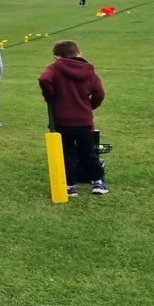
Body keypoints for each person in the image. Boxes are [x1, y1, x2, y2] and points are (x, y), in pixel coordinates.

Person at [38, 40, 108, 196]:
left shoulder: (55, 67)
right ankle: (97, 181)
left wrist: (50, 95)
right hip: (84, 120)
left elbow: (43, 79)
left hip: (61, 120)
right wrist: (89, 106)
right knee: (88, 152)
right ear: (79, 53)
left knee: (67, 153)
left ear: (56, 56)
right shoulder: (89, 71)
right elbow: (100, 94)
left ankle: (70, 185)